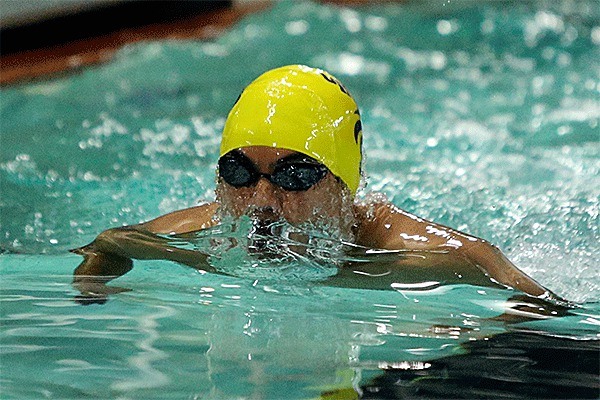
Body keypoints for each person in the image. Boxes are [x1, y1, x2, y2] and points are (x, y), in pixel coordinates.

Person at [72, 65, 556, 303]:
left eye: (295, 175)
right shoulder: (199, 233)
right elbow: (108, 244)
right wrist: (93, 293)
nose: (262, 202)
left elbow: (543, 311)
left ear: (346, 185)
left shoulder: (421, 256)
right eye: (238, 172)